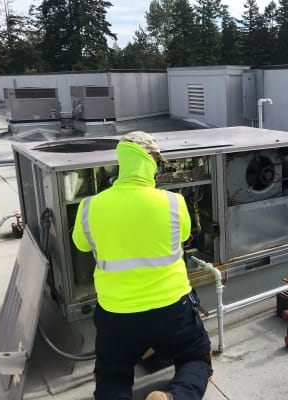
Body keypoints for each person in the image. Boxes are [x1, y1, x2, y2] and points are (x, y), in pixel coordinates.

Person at [72, 131, 212, 400]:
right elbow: (184, 236)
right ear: (152, 162)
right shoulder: (174, 203)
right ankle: (174, 397)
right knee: (196, 358)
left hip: (116, 314)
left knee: (112, 375)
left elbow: (80, 244)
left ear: (121, 162)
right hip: (172, 310)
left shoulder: (89, 207)